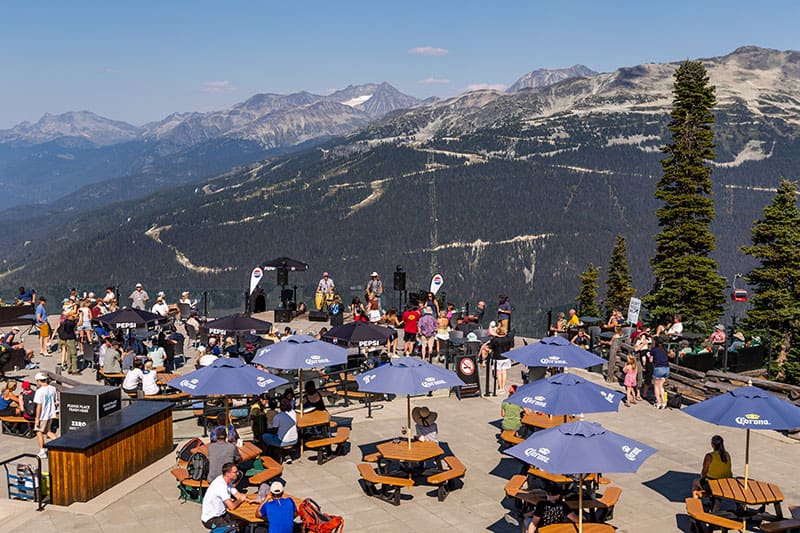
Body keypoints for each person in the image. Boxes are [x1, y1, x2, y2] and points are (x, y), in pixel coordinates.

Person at [200, 462, 247, 530]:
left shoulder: (227, 481)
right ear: (228, 474)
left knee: (242, 521)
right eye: (235, 472)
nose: (237, 474)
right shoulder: (221, 486)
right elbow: (231, 506)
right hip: (211, 519)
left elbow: (238, 495)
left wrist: (249, 500)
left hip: (222, 514)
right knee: (231, 528)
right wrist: (240, 500)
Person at [33, 372, 58, 458]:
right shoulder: (53, 388)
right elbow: (55, 401)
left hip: (43, 415)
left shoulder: (39, 391)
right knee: (47, 431)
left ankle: (42, 451)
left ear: (39, 381)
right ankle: (59, 444)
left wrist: (37, 418)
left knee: (39, 432)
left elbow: (39, 406)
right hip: (51, 413)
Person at [489, 325, 513, 393]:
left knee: (499, 373)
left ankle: (500, 387)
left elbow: (491, 349)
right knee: (504, 372)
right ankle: (503, 387)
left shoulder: (494, 340)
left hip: (497, 358)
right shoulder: (508, 339)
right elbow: (510, 348)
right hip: (506, 357)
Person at [651, 337, 672, 409]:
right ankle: (664, 402)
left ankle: (658, 402)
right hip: (666, 368)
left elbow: (651, 360)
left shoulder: (654, 349)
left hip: (658, 368)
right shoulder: (665, 349)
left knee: (656, 386)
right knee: (661, 385)